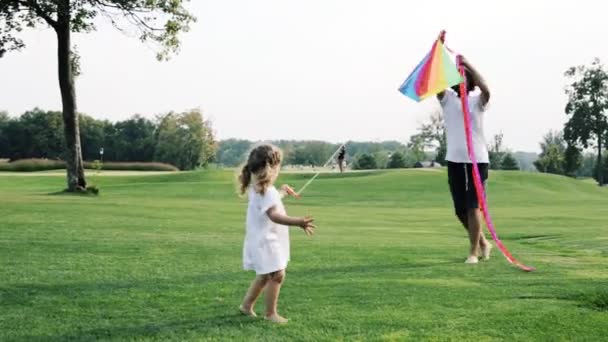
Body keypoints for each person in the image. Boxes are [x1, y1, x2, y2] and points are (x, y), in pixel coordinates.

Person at [237, 144, 315, 323]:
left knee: (265, 274)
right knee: (277, 274)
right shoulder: (267, 191)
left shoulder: (256, 187)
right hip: (268, 240)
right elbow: (273, 215)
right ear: (271, 168)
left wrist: (281, 192)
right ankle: (271, 313)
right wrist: (299, 222)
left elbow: (268, 202)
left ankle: (246, 306)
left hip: (259, 239)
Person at [437, 55, 492, 264]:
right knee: (460, 210)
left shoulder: (477, 100)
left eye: (463, 77)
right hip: (454, 160)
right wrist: (438, 53)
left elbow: (486, 88)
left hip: (477, 160)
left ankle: (473, 252)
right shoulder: (447, 99)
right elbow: (436, 82)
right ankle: (484, 243)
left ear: (470, 81)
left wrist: (467, 64)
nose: (459, 79)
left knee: (472, 206)